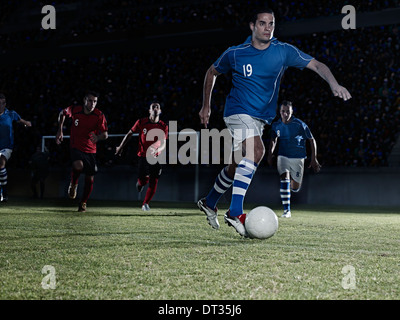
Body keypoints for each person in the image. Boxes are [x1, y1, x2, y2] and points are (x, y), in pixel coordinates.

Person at [197, 8, 351, 237]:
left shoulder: (283, 51)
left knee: (236, 164)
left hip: (260, 119)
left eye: (271, 23)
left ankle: (209, 202)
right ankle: (235, 212)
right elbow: (211, 72)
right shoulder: (235, 53)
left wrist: (334, 84)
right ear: (252, 26)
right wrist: (206, 106)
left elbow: (317, 65)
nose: (268, 28)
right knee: (256, 150)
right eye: (262, 23)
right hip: (237, 112)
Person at [56, 91, 108, 212]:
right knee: (78, 165)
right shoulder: (74, 110)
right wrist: (60, 130)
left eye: (95, 101)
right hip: (76, 146)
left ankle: (83, 202)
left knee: (90, 178)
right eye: (90, 100)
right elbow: (62, 113)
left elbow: (105, 134)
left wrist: (98, 137)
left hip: (90, 150)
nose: (92, 103)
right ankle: (74, 184)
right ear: (84, 100)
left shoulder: (99, 115)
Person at [268, 101, 321, 218]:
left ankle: (292, 186)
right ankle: (287, 211)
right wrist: (270, 153)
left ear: (292, 112)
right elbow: (273, 139)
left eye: (288, 111)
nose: (285, 114)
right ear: (280, 112)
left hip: (298, 158)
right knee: (284, 177)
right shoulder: (276, 125)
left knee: (295, 188)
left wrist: (313, 158)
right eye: (283, 111)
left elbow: (312, 140)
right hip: (283, 156)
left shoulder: (300, 125)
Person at [115, 101, 168, 211]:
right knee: (144, 181)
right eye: (153, 107)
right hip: (143, 156)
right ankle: (140, 184)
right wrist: (121, 146)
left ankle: (145, 204)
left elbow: (163, 143)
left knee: (154, 180)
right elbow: (130, 133)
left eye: (157, 107)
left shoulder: (163, 126)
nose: (155, 108)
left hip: (156, 157)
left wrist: (158, 149)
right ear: (149, 110)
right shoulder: (141, 122)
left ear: (160, 111)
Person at [0, 93, 32, 202]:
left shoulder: (10, 114)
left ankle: (4, 192)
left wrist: (27, 123)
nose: (1, 106)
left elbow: (20, 120)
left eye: (2, 103)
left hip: (7, 146)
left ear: (4, 104)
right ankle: (1, 192)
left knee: (1, 162)